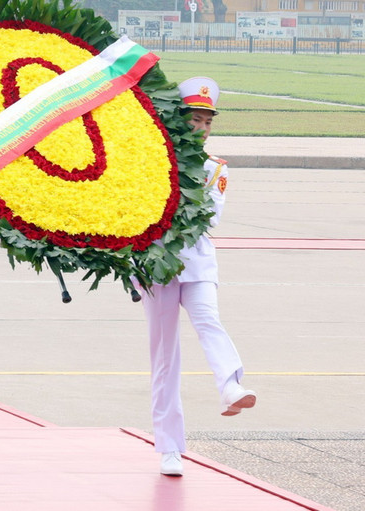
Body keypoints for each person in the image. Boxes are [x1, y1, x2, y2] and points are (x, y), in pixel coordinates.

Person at [141, 77, 257, 477]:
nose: (202, 128)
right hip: (157, 264)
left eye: (207, 122)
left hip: (198, 259)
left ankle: (230, 386)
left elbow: (212, 217)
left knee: (208, 319)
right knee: (164, 357)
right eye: (195, 120)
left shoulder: (215, 169)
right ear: (180, 120)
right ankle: (169, 447)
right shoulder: (153, 159)